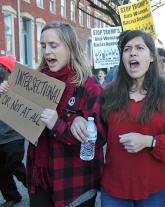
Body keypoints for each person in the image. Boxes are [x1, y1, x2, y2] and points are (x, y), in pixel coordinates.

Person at [70, 30, 165, 207]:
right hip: (114, 189)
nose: (132, 52)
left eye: (139, 48)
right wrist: (78, 119)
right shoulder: (109, 91)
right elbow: (93, 127)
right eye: (127, 49)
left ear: (151, 56)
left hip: (155, 189)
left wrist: (150, 142)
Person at [0, 21, 106, 207]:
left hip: (74, 184)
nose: (47, 51)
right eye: (43, 46)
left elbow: (98, 140)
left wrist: (58, 125)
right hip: (41, 178)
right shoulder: (36, 82)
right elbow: (24, 122)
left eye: (53, 45)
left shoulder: (89, 87)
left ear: (70, 47)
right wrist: (7, 95)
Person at [0, 56, 27, 207]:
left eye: (3, 68)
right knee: (2, 170)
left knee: (14, 164)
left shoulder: (17, 85)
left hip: (14, 136)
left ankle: (34, 188)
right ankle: (12, 196)